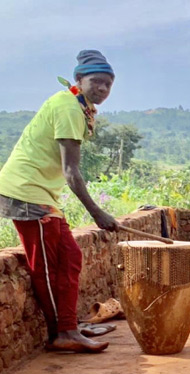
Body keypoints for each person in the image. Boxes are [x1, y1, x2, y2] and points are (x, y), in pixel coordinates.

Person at [0, 50, 119, 353]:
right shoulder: (68, 107)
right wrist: (97, 212)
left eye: (108, 84)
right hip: (26, 192)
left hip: (41, 193)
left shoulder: (78, 106)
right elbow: (71, 171)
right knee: (47, 267)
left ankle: (70, 325)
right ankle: (63, 333)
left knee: (70, 257)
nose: (103, 88)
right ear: (79, 79)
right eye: (96, 81)